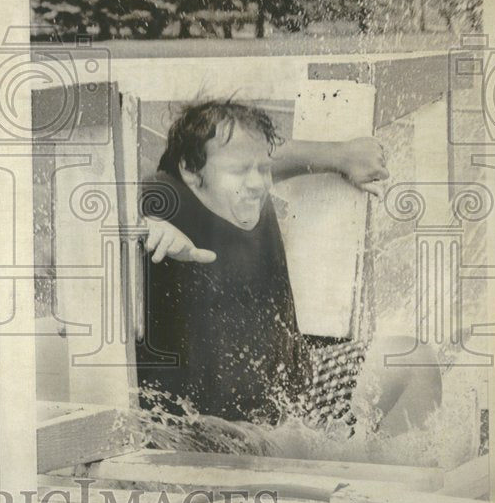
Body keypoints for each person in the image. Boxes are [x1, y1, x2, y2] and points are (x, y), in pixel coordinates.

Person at [138, 99, 441, 434]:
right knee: (275, 445)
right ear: (191, 172)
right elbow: (96, 213)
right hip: (211, 429)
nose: (257, 183)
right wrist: (142, 227)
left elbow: (260, 158)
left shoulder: (244, 187)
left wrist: (341, 155)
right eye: (240, 170)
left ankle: (396, 475)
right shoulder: (165, 195)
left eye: (263, 168)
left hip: (294, 392)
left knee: (411, 359)